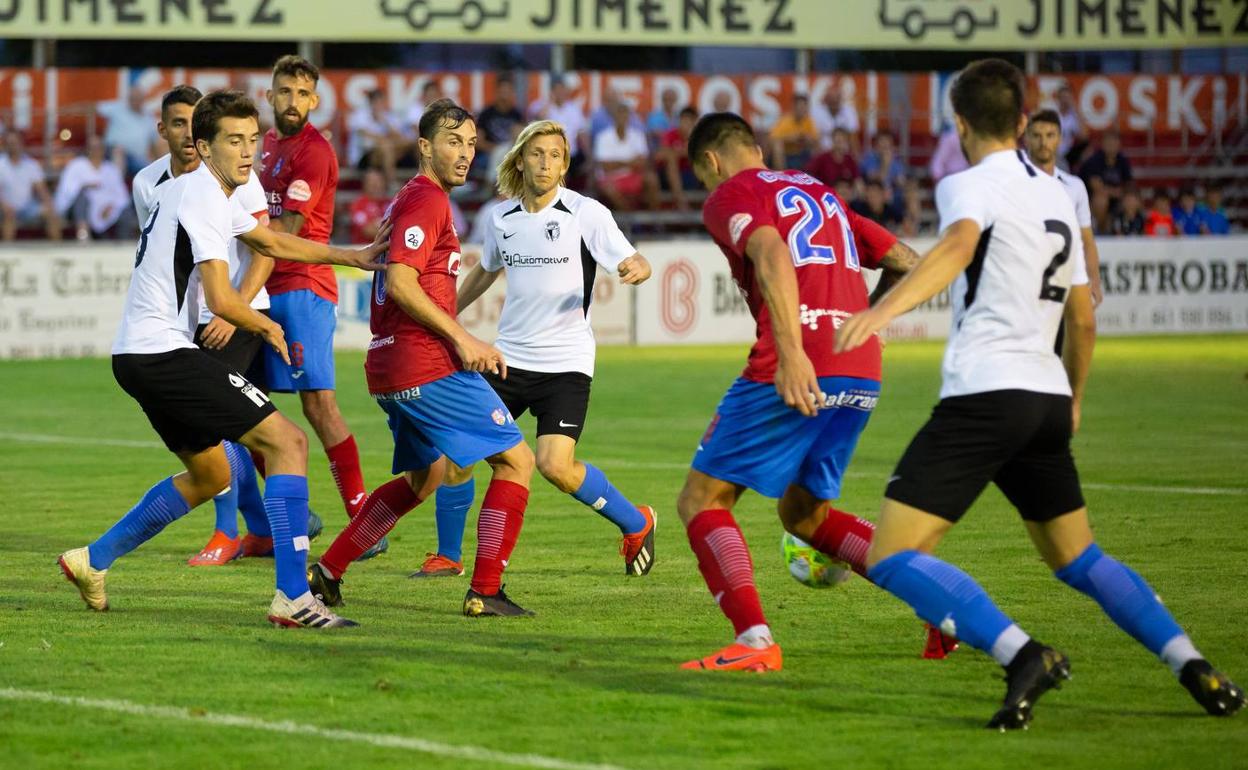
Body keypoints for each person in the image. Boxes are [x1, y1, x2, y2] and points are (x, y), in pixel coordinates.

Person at [834, 58, 1244, 729]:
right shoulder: (1059, 193)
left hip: (986, 395)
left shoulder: (967, 183)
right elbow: (1083, 316)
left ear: (959, 124)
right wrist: (1074, 398)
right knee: (1079, 557)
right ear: (1024, 122)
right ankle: (1191, 660)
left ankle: (1021, 653)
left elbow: (958, 247)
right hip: (1046, 400)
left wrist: (882, 313)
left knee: (892, 554)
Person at [57, 90, 387, 628]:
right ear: (204, 146)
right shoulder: (205, 198)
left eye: (253, 140)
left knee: (211, 474)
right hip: (164, 350)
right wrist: (268, 323)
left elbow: (269, 242)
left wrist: (349, 255)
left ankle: (92, 561)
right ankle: (291, 596)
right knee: (289, 441)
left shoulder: (191, 188)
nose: (248, 151)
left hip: (139, 352)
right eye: (234, 140)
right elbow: (221, 299)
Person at [674, 111, 920, 672]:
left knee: (701, 499)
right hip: (859, 366)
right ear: (756, 147)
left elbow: (770, 253)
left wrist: (791, 352)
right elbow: (905, 261)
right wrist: (867, 323)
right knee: (805, 514)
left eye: (705, 176)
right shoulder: (820, 192)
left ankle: (755, 642)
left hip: (795, 362)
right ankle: (933, 599)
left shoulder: (730, 194)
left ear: (711, 162)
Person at [305, 99, 540, 618]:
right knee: (517, 461)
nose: (464, 154)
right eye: (453, 142)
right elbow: (403, 281)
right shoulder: (428, 201)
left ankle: (328, 570)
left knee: (424, 477)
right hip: (424, 364)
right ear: (425, 147)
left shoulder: (410, 201)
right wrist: (463, 339)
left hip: (388, 367)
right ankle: (486, 588)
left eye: (472, 143)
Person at [413, 119, 656, 581]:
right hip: (507, 358)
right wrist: (446, 316)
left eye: (556, 155)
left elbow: (630, 257)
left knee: (554, 467)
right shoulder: (498, 217)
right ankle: (447, 555)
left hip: (566, 365)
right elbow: (486, 270)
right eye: (538, 153)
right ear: (521, 159)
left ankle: (637, 522)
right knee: (459, 452)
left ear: (565, 165)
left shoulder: (587, 213)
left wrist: (637, 266)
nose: (546, 163)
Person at [132, 85, 277, 566]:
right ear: (166, 130)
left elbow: (264, 245)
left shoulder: (237, 176)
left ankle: (228, 531)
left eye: (194, 124)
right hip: (187, 321)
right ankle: (263, 526)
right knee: (229, 430)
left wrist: (233, 312)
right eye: (178, 124)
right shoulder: (148, 183)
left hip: (235, 311)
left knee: (227, 424)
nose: (188, 134)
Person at [248, 56, 374, 547]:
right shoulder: (265, 145)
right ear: (270, 95)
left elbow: (288, 231)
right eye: (285, 92)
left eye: (302, 94)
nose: (293, 102)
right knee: (241, 408)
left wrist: (228, 233)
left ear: (314, 101)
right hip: (260, 290)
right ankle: (293, 513)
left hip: (302, 289)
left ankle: (363, 518)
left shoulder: (315, 152)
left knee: (319, 404)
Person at [1025, 109, 1104, 305]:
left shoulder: (1074, 186)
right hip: (1025, 285)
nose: (1043, 143)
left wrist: (1094, 280)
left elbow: (1087, 241)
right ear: (1026, 139)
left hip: (1067, 285)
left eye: (1050, 135)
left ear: (1060, 139)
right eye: (1037, 136)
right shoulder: (1016, 183)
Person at [53, 135, 130, 240]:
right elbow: (66, 190)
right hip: (79, 208)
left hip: (106, 209)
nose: (96, 151)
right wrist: (85, 185)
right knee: (81, 198)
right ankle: (83, 235)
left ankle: (124, 244)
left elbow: (121, 196)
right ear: (87, 150)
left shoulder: (111, 169)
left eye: (99, 148)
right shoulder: (76, 165)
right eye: (93, 148)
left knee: (126, 211)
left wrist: (111, 207)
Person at [592, 101, 660, 211]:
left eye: (625, 114)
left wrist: (617, 163)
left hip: (632, 176)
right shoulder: (603, 137)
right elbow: (606, 167)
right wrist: (630, 162)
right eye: (620, 114)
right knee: (609, 189)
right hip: (610, 179)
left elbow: (643, 163)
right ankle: (632, 220)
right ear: (614, 116)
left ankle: (655, 222)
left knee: (652, 179)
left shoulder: (637, 135)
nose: (622, 117)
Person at [0, 129, 60, 241]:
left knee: (51, 213)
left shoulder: (31, 165)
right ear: (5, 144)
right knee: (9, 216)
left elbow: (42, 191)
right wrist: (4, 206)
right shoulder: (1, 164)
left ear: (21, 144)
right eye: (10, 143)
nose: (13, 146)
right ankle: (7, 255)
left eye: (15, 143)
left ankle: (57, 251)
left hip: (27, 207)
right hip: (5, 208)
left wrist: (50, 206)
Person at [347, 88, 411, 188]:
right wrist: (385, 139)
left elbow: (400, 138)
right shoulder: (359, 115)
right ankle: (391, 182)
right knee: (386, 146)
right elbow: (364, 134)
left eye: (381, 101)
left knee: (411, 143)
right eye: (377, 102)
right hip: (363, 157)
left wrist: (384, 122)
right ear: (370, 103)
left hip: (386, 154)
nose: (379, 104)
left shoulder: (387, 117)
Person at [99, 87, 160, 177]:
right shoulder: (117, 108)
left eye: (137, 98)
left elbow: (153, 143)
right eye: (132, 98)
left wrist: (157, 163)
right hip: (112, 152)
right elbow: (93, 108)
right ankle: (117, 187)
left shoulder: (148, 117)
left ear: (143, 100)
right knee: (118, 152)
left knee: (151, 171)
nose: (135, 101)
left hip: (137, 157)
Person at [657, 107, 699, 211]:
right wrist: (681, 152)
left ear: (694, 122)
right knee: (671, 160)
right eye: (683, 120)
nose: (685, 124)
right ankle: (680, 201)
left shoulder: (698, 136)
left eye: (689, 121)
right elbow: (660, 155)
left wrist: (680, 150)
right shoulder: (670, 134)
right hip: (668, 176)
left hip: (691, 176)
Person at [768, 93, 819, 169]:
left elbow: (816, 139)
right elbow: (773, 139)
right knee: (777, 146)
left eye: (804, 106)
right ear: (794, 107)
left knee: (816, 147)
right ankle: (782, 175)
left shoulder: (809, 121)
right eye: (800, 106)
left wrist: (807, 139)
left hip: (802, 154)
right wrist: (790, 138)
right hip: (786, 155)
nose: (802, 109)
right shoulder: (785, 121)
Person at [1079, 129, 1132, 202]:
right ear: (1103, 144)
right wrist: (1116, 192)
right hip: (1093, 197)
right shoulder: (1094, 160)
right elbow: (1096, 187)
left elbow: (1129, 183)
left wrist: (1125, 192)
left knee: (1130, 199)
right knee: (1101, 200)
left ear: (1119, 144)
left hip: (1117, 196)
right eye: (1108, 143)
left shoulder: (1123, 160)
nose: (1111, 146)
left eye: (1114, 143)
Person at [348, 168, 390, 245]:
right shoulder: (358, 204)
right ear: (365, 184)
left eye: (378, 181)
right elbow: (367, 231)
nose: (375, 185)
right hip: (363, 250)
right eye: (371, 182)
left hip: (387, 250)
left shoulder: (391, 203)